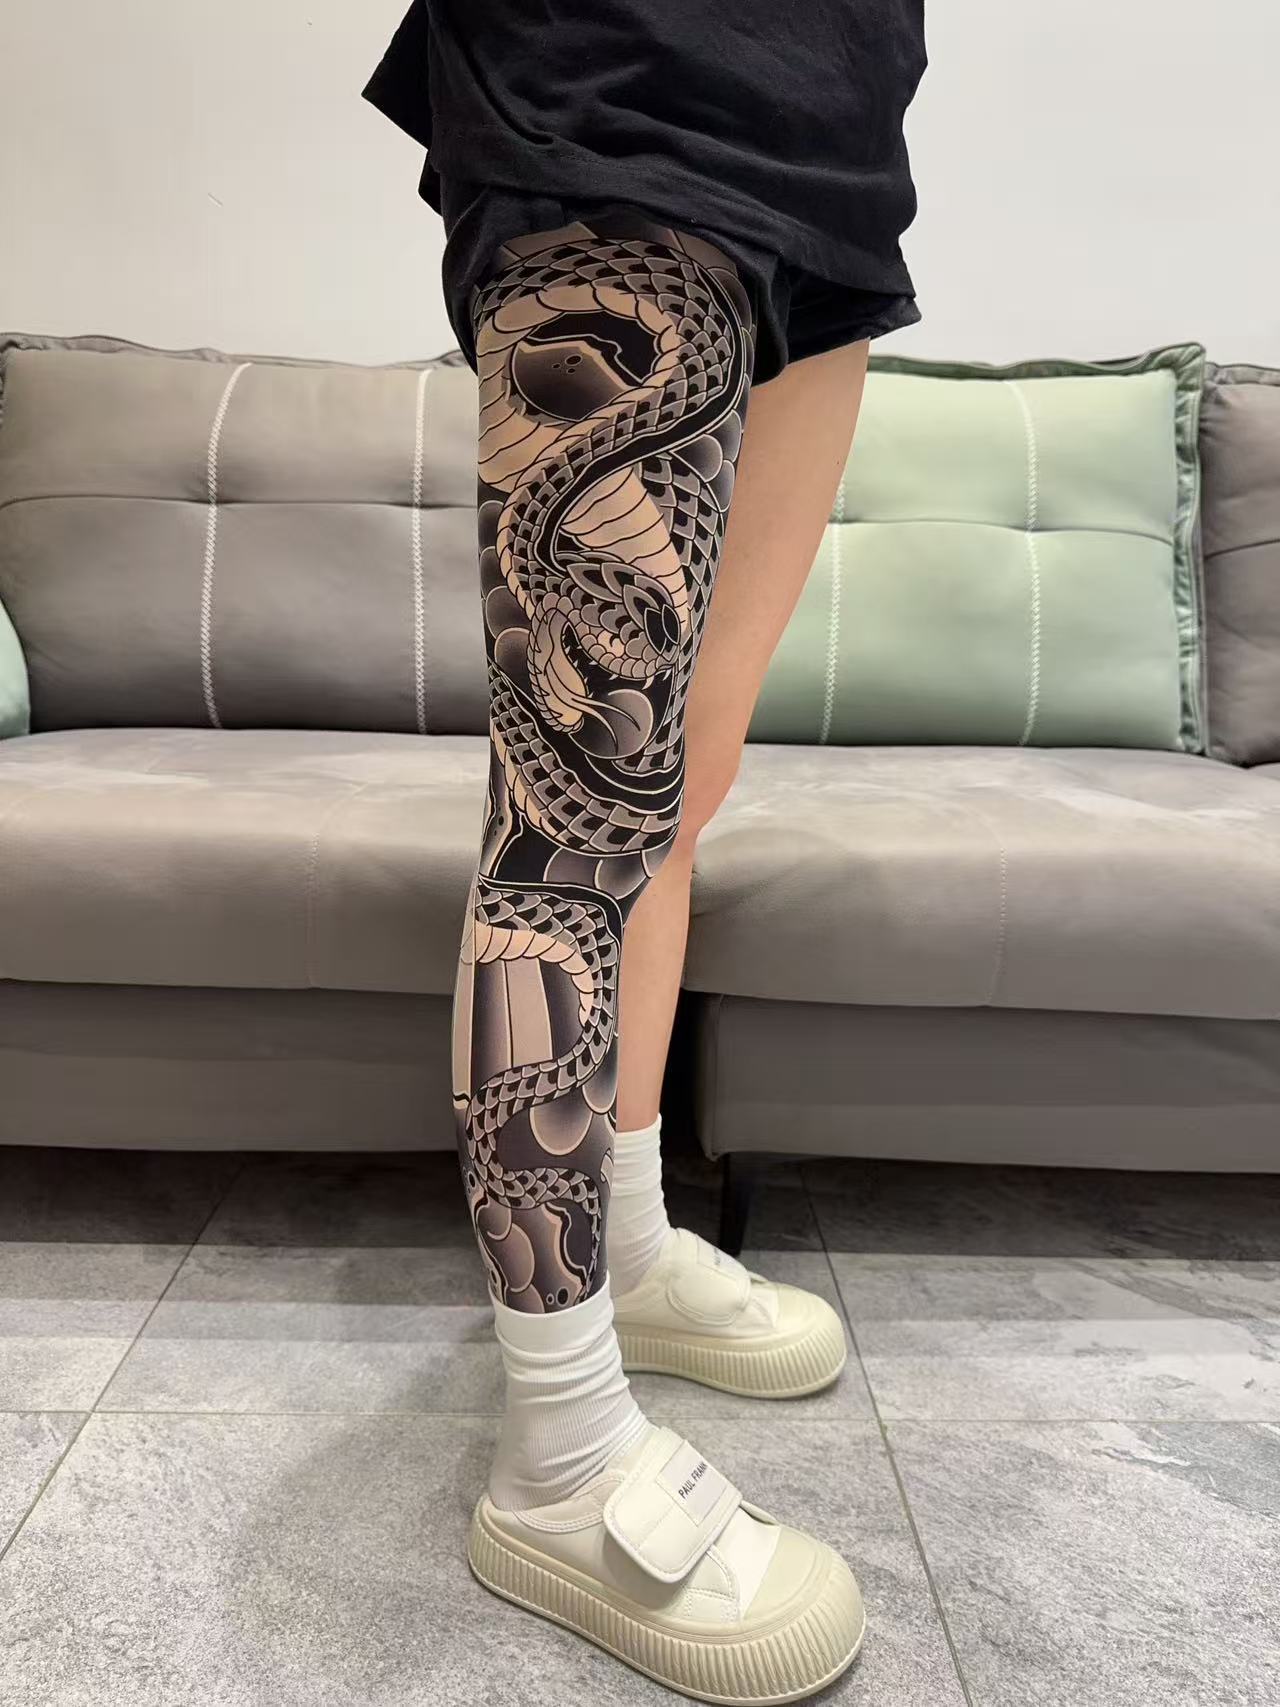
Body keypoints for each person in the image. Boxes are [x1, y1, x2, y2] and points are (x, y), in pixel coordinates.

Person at [364, 5, 925, 1699]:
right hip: (617, 98)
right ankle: (557, 1454)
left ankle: (632, 1229)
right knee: (574, 811)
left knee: (681, 781)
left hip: (823, 144)